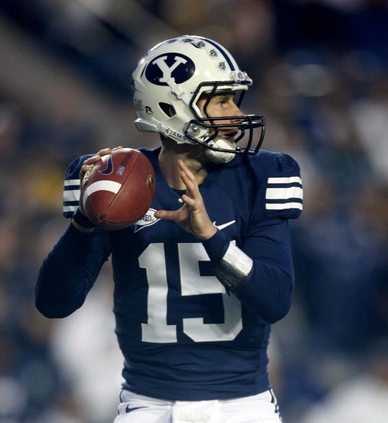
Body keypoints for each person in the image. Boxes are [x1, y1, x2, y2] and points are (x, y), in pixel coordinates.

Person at [35, 35, 303, 423]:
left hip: (242, 404)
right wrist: (84, 222)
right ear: (172, 106)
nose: (236, 114)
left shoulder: (260, 176)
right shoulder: (115, 179)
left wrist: (211, 237)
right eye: (221, 100)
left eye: (233, 99)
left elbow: (276, 300)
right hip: (147, 404)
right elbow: (54, 303)